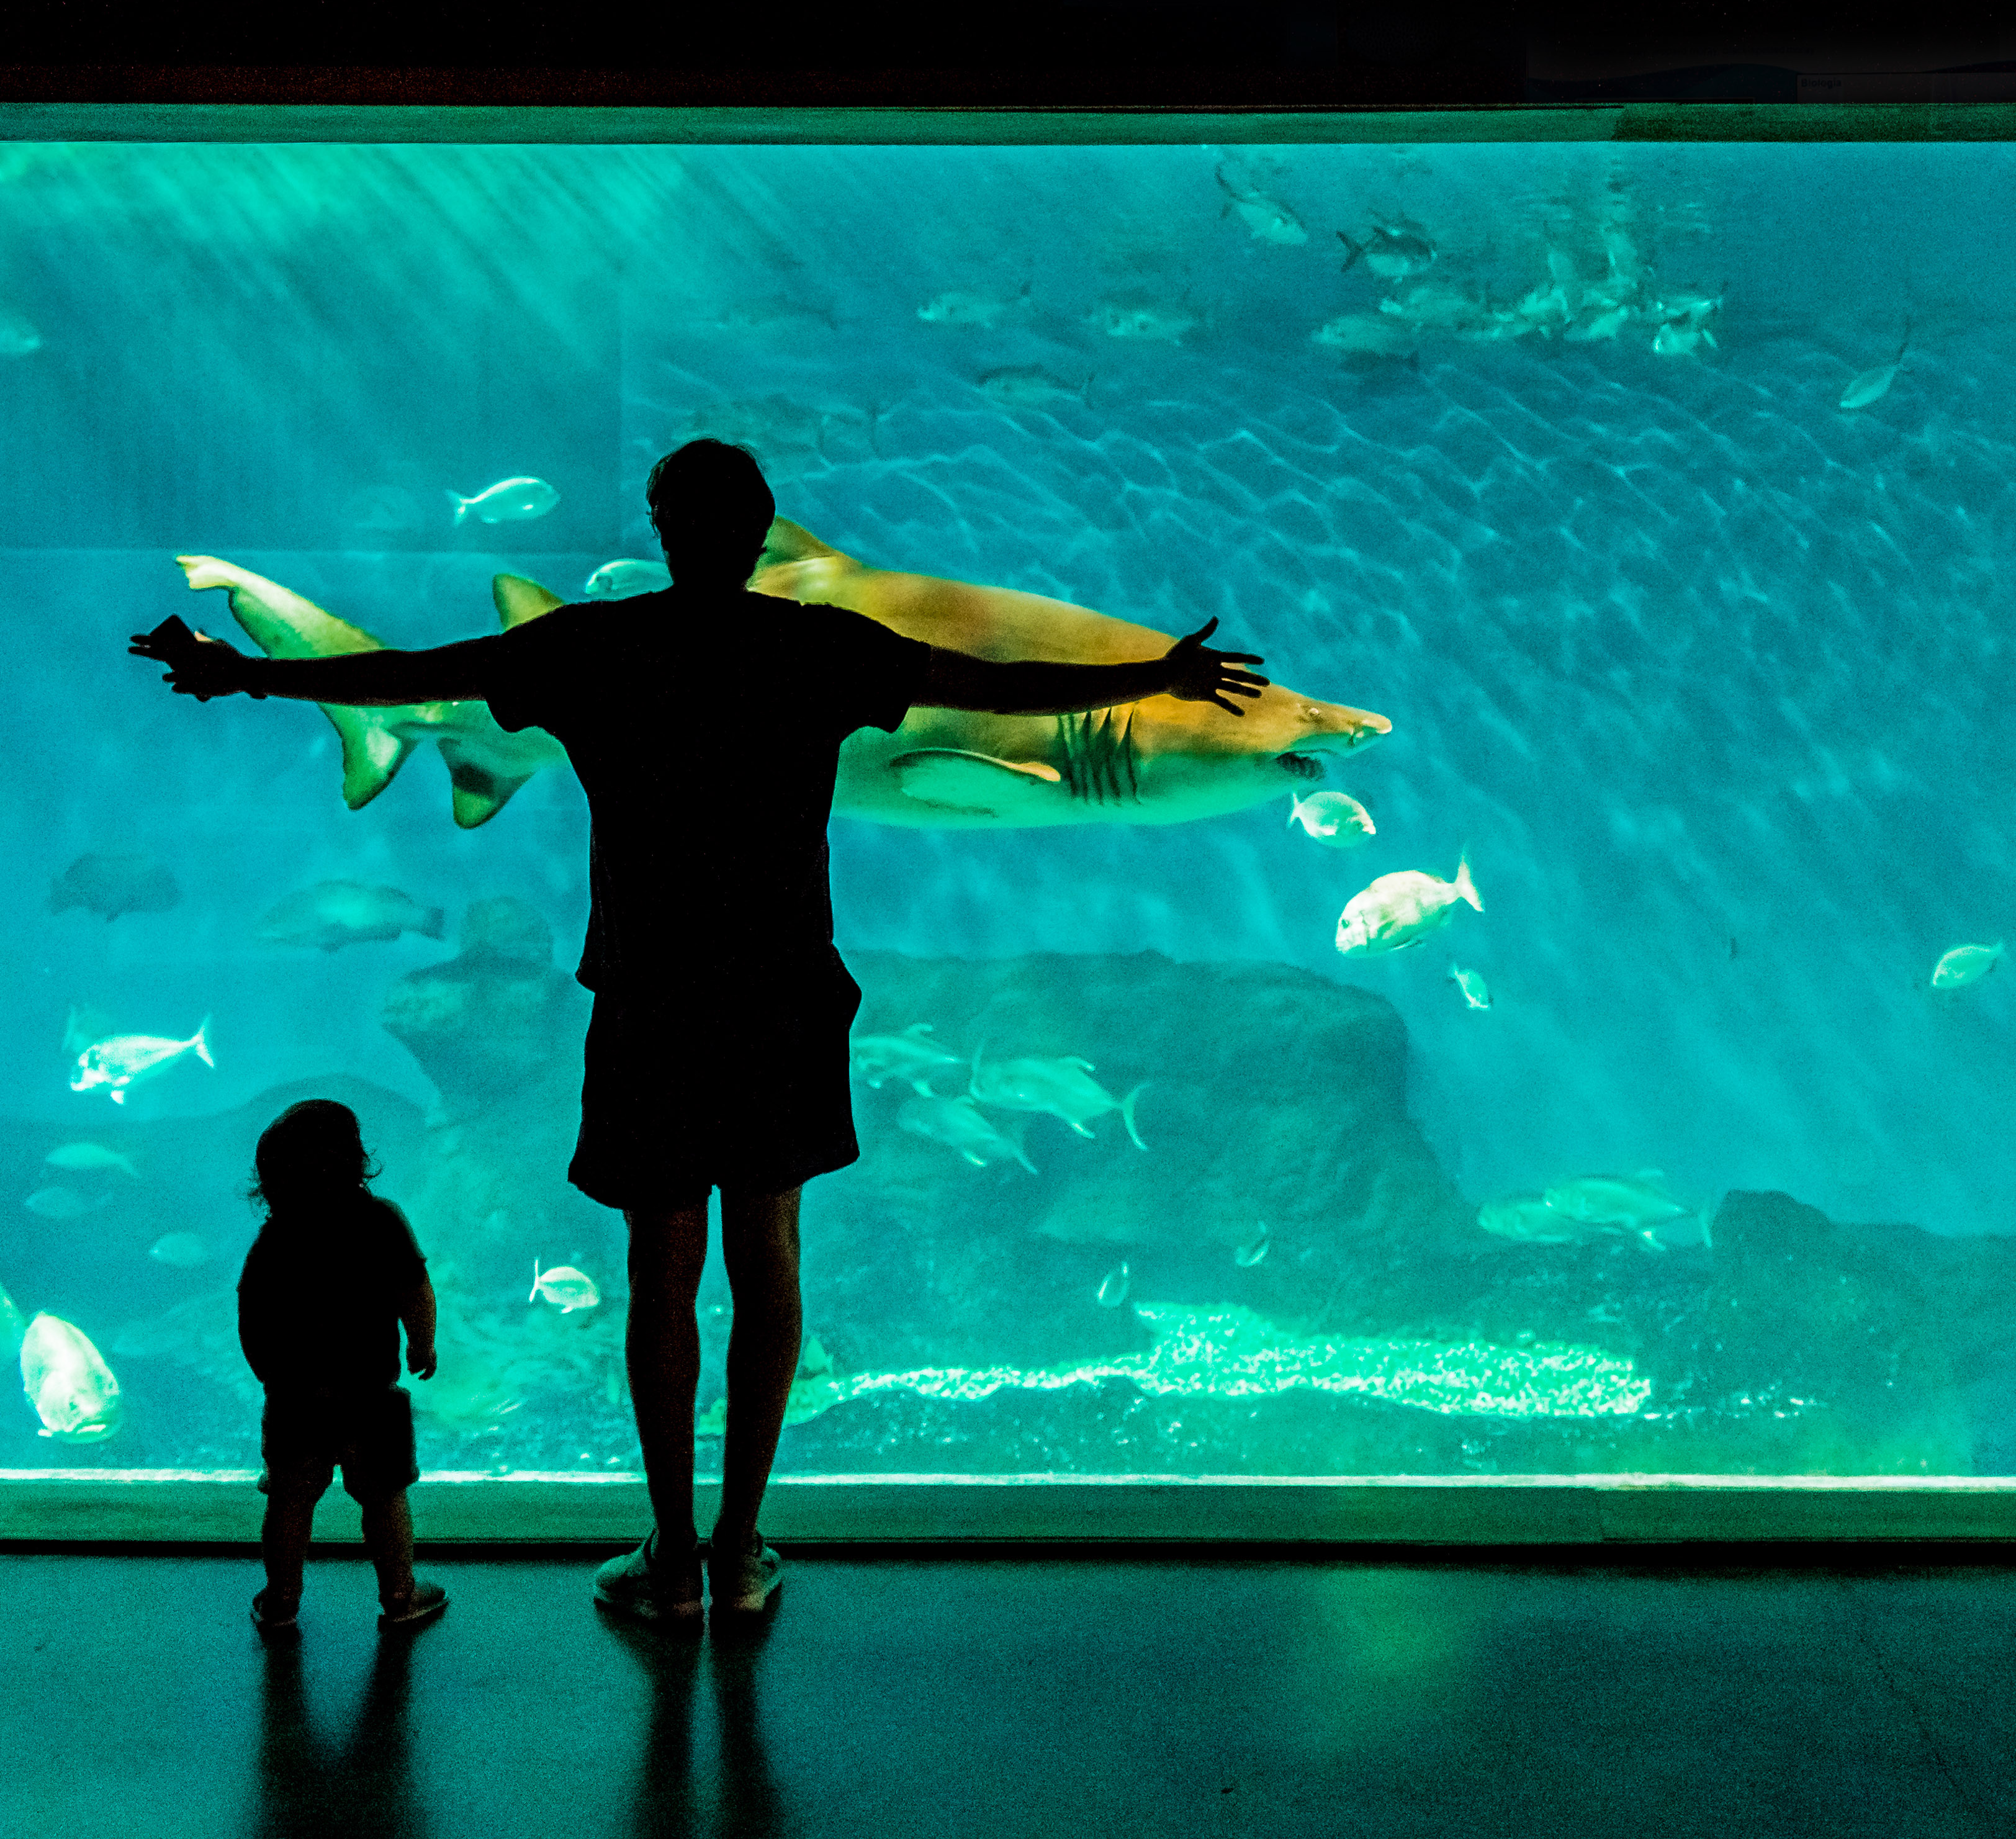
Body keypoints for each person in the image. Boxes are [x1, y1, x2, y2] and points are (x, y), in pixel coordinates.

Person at [133, 439, 1265, 1625]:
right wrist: (1157, 672)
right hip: (780, 1001)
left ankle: (671, 1553)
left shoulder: (594, 645)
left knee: (658, 1278)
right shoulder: (817, 644)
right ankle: (737, 1547)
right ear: (763, 527)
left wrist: (241, 676)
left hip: (651, 1007)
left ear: (659, 525)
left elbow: (412, 671)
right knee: (769, 1267)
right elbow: (994, 687)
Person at [238, 1098, 446, 1634]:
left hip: (293, 1398)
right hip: (371, 1394)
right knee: (383, 1496)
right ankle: (400, 1595)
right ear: (358, 1161)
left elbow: (251, 1314)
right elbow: (414, 1290)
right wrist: (422, 1345)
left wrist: (269, 1373)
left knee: (288, 1498)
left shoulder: (275, 1238)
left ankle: (282, 1598)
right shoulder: (381, 1220)